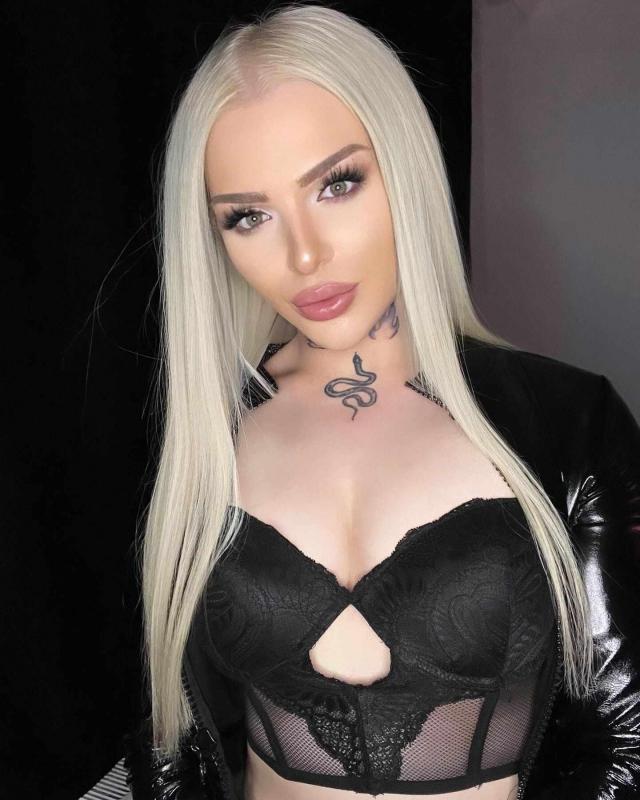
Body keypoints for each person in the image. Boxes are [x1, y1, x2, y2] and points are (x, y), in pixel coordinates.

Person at [123, 4, 640, 799]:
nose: (303, 254)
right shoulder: (210, 433)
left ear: (403, 166)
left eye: (337, 184)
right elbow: (173, 738)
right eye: (249, 216)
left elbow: (625, 743)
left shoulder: (568, 423)